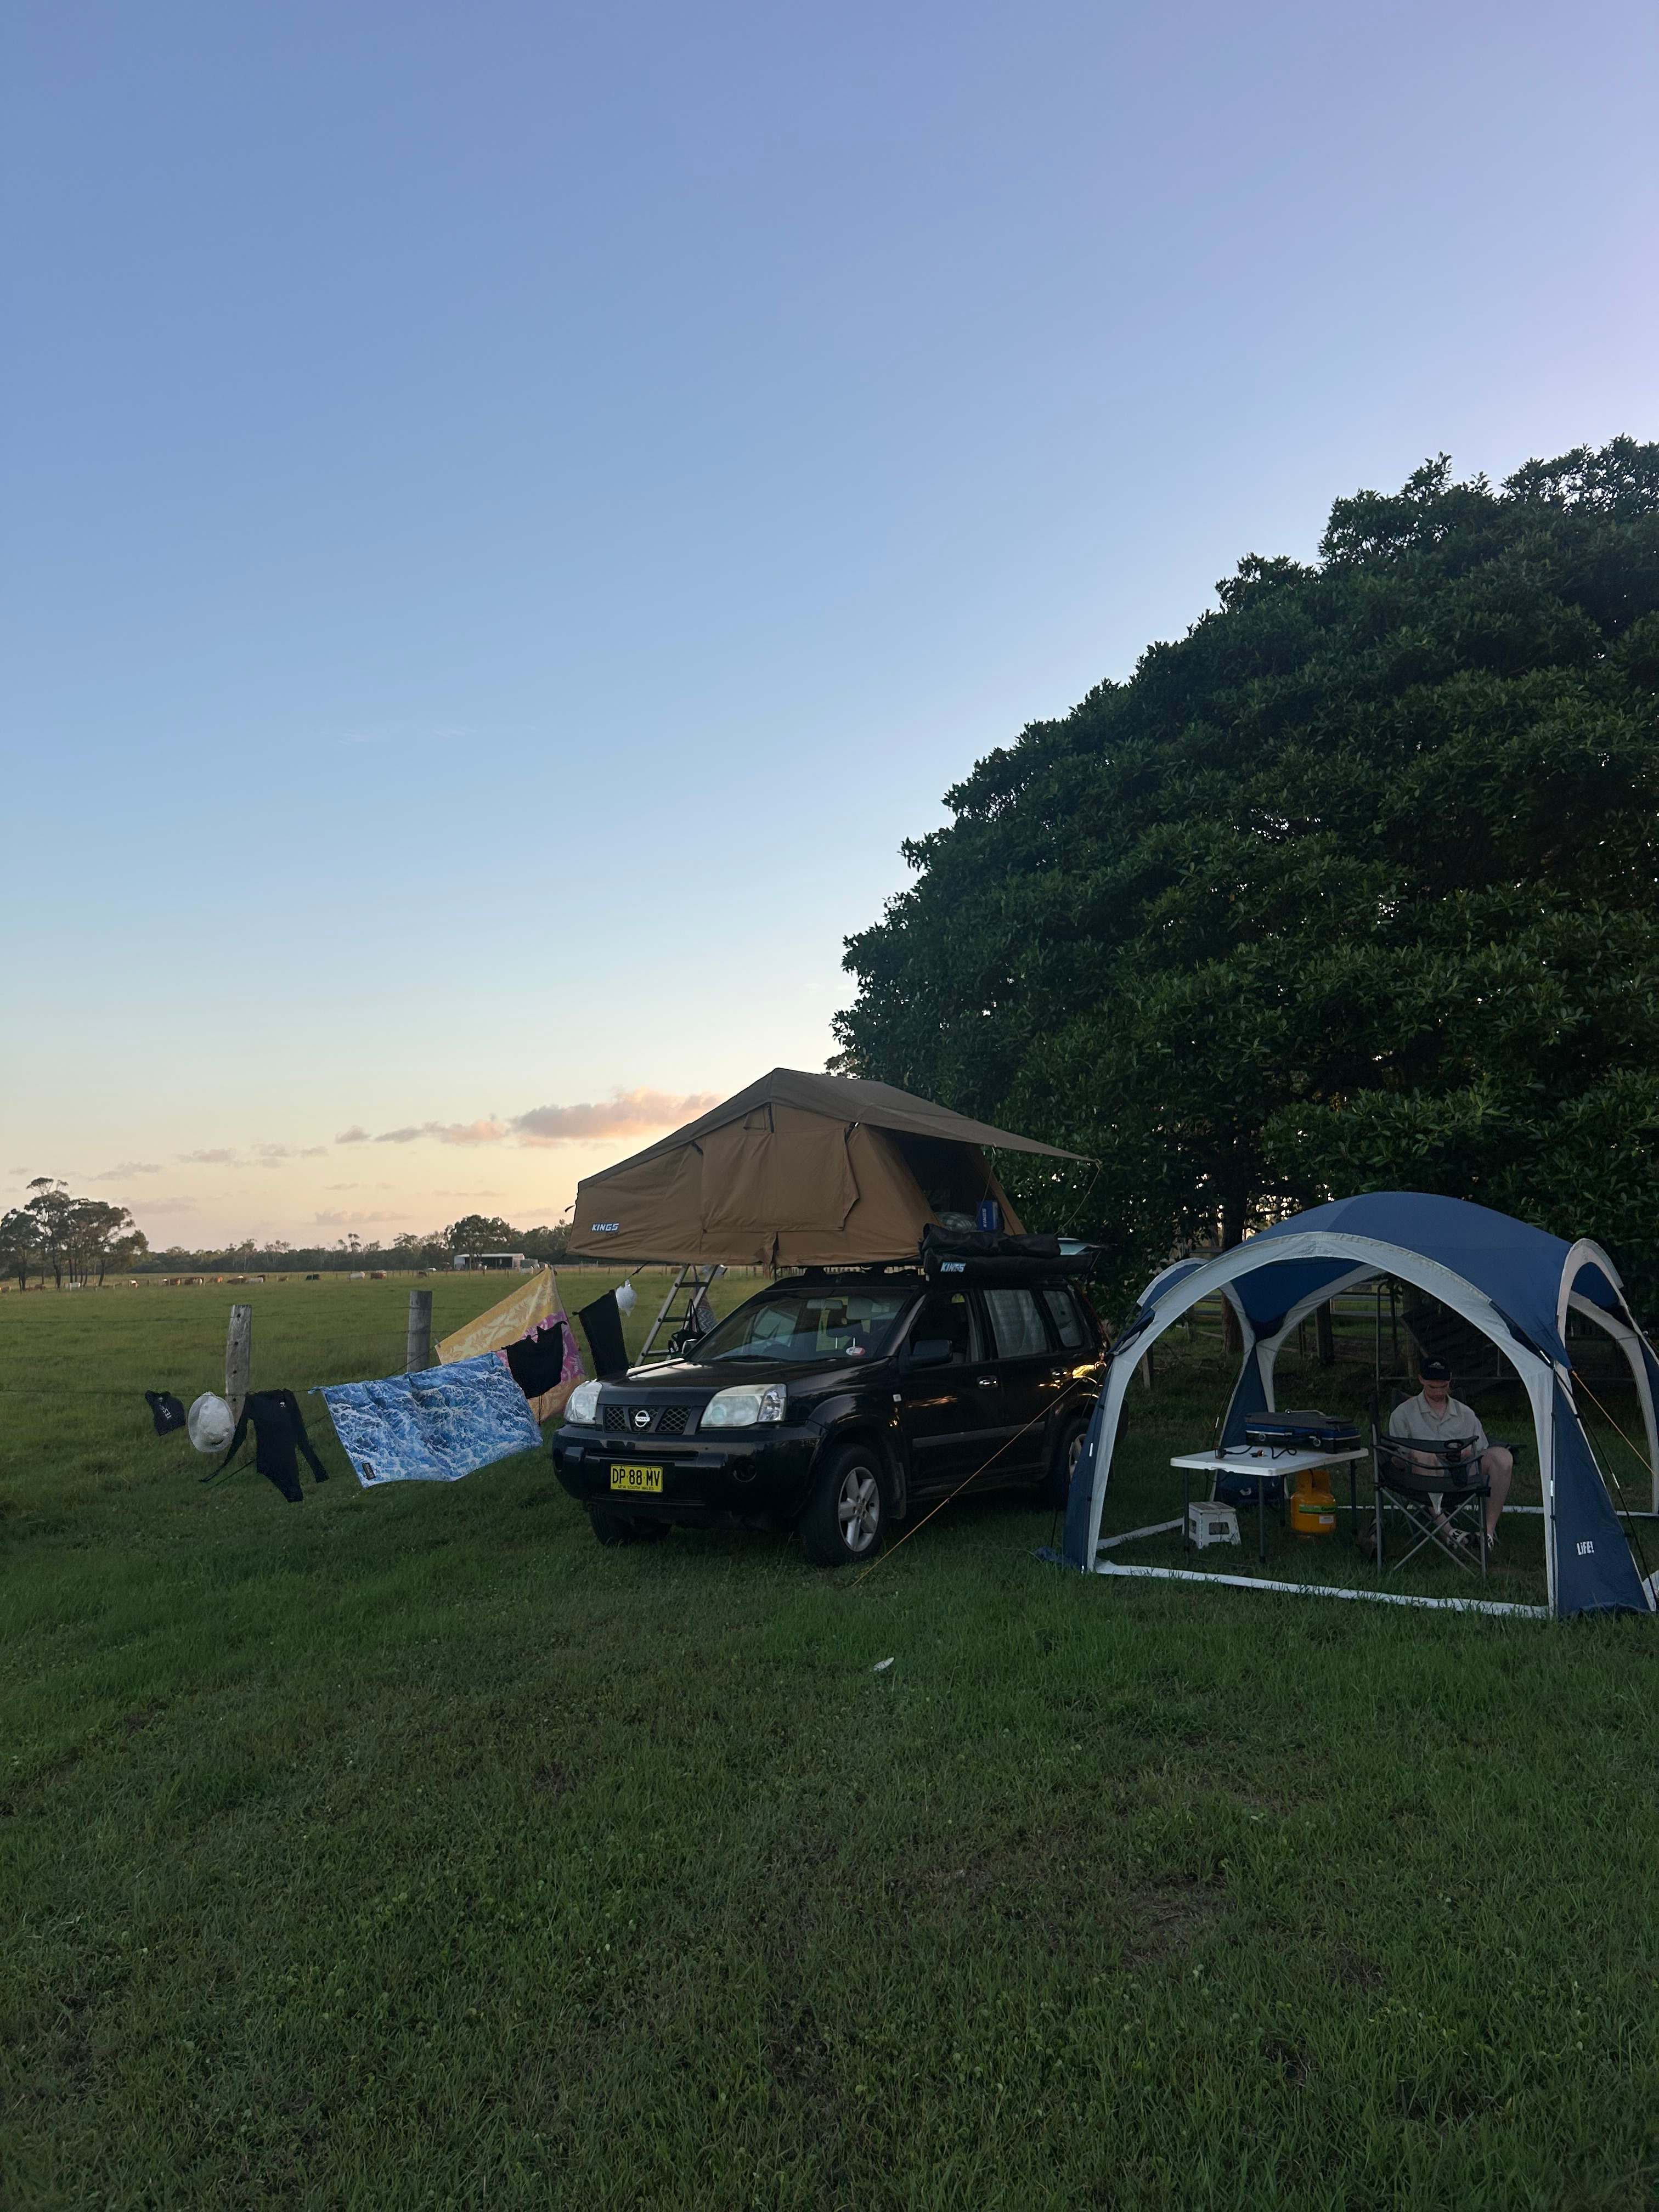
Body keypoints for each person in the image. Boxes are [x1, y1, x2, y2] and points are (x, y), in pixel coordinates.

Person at [1388, 1356, 1513, 1552]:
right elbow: (1397, 1459)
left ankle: (1487, 1533)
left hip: (1461, 1474)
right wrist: (1416, 1456)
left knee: (1503, 1457)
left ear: (1450, 1381)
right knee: (1423, 1455)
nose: (1438, 1392)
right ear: (1421, 1380)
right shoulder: (1403, 1414)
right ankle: (1448, 1532)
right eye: (1432, 1387)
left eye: (1443, 1386)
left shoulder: (1466, 1414)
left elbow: (1481, 1450)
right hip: (1422, 1477)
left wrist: (1465, 1453)